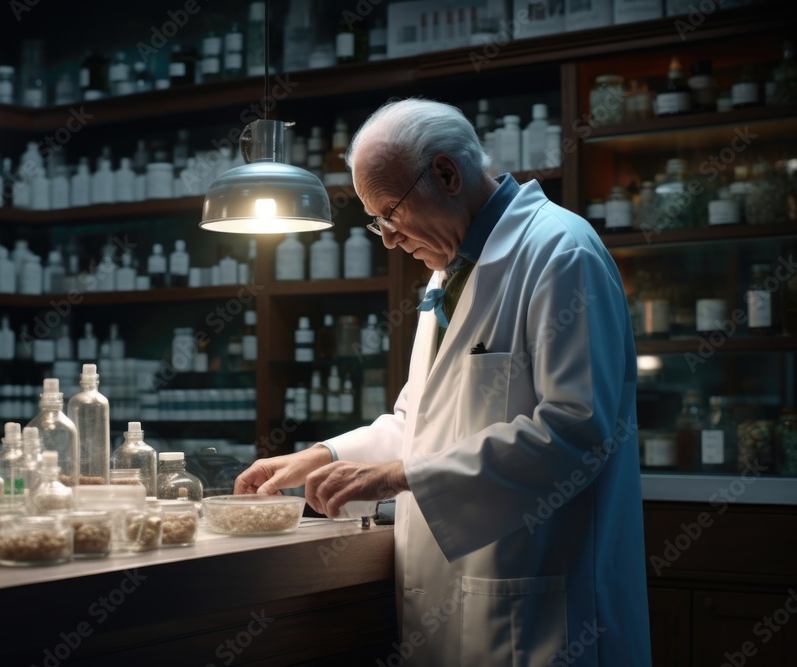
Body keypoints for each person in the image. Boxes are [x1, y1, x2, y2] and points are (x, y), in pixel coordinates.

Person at [235, 99, 652, 665]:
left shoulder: (561, 253)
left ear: (447, 175)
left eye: (388, 212)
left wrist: (396, 476)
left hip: (546, 608)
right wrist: (322, 455)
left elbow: (576, 429)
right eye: (374, 220)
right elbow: (420, 418)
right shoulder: (450, 269)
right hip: (461, 602)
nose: (386, 237)